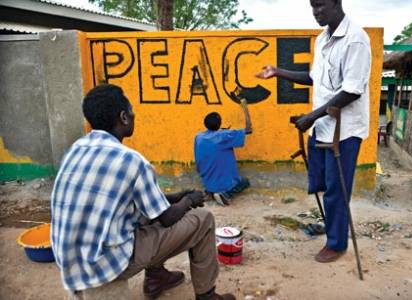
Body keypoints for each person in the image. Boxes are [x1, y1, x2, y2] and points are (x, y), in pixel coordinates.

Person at [51, 84, 235, 300]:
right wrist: (189, 201)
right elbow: (166, 219)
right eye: (131, 111)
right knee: (203, 220)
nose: (133, 114)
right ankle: (207, 295)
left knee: (146, 214)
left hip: (70, 260)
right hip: (105, 263)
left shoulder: (76, 149)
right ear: (123, 117)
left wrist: (174, 197)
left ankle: (156, 277)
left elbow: (129, 202)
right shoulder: (132, 161)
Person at [256, 0, 371, 263]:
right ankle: (332, 228)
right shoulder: (322, 39)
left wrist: (311, 116)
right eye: (312, 7)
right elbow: (314, 78)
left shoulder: (355, 40)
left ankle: (337, 243)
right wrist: (277, 72)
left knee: (336, 189)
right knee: (320, 183)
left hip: (344, 130)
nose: (316, 12)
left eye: (320, 6)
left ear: (337, 3)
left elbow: (352, 91)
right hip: (321, 127)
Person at [194, 102, 252, 206]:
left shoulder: (199, 137)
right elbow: (249, 130)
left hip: (208, 182)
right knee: (245, 182)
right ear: (219, 124)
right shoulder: (224, 136)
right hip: (223, 184)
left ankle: (210, 193)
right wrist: (245, 109)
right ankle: (225, 194)